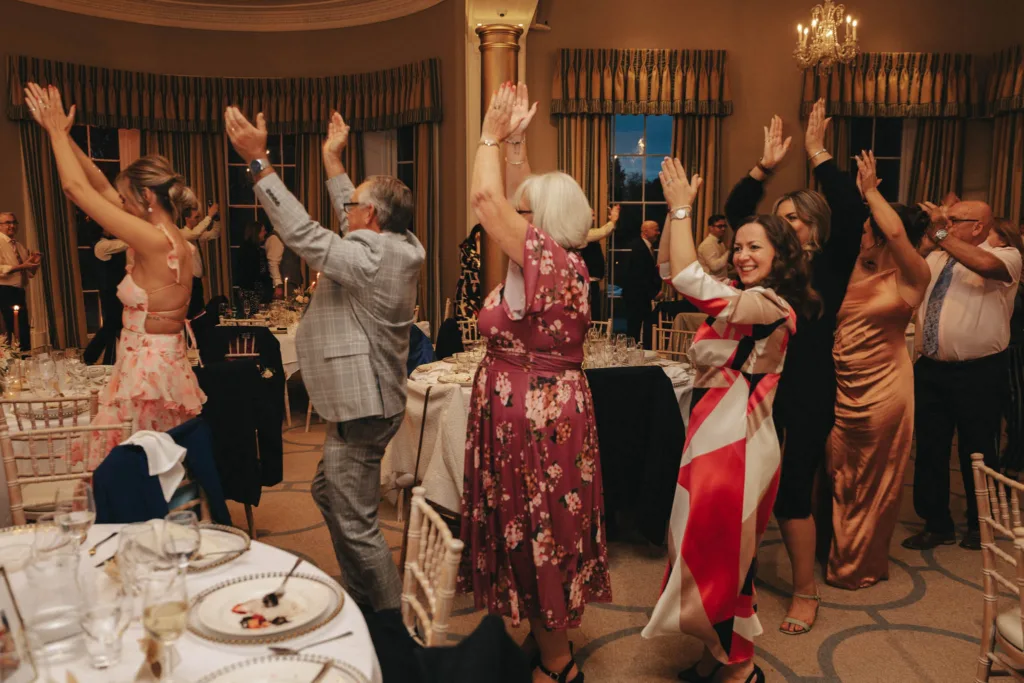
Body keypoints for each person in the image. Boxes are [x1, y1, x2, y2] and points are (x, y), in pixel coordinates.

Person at [224, 105, 424, 613]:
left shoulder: (370, 257)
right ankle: (363, 596)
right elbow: (349, 218)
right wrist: (333, 160)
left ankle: (387, 627)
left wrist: (258, 163)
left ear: (372, 217)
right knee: (328, 493)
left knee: (357, 524)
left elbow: (305, 234)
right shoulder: (395, 244)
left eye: (355, 204)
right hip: (368, 402)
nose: (347, 208)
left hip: (363, 409)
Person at [644, 158, 817, 683]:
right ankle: (714, 654)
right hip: (709, 440)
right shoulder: (742, 300)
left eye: (754, 247)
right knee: (700, 549)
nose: (741, 255)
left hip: (739, 447)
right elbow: (674, 274)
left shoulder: (771, 304)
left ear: (781, 255)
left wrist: (680, 208)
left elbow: (692, 282)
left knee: (722, 560)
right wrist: (679, 218)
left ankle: (741, 667)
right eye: (738, 246)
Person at [460, 82, 610, 683]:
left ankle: (557, 665)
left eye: (526, 215)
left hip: (534, 422)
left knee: (537, 532)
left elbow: (485, 197)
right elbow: (519, 197)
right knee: (541, 527)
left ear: (539, 226)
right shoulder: (561, 261)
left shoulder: (544, 258)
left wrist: (490, 136)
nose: (516, 218)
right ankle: (550, 638)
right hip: (543, 414)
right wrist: (518, 144)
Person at [724, 100, 863, 635]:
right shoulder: (764, 266)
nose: (785, 228)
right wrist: (763, 168)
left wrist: (818, 154)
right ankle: (742, 582)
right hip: (755, 387)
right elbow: (738, 212)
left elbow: (851, 211)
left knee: (791, 491)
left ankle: (806, 592)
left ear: (815, 226)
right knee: (746, 488)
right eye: (779, 220)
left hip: (807, 389)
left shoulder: (829, 265)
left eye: (795, 219)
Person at [23, 83, 206, 469]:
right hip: (161, 362)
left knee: (134, 464)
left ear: (148, 198)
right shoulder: (173, 237)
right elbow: (99, 186)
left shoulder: (152, 239)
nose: (119, 205)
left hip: (148, 371)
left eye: (126, 199)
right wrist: (64, 137)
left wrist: (55, 131)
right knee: (156, 461)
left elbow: (74, 188)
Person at [826, 151, 932, 590]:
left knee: (872, 475)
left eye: (869, 229)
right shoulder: (857, 266)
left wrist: (870, 191)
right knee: (838, 469)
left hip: (884, 386)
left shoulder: (913, 274)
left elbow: (890, 226)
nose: (863, 233)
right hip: (842, 380)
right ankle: (836, 548)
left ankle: (859, 566)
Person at [902, 199, 1023, 551]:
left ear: (979, 227)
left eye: (954, 220)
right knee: (930, 449)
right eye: (944, 220)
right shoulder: (937, 255)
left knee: (980, 450)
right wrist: (929, 238)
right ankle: (936, 523)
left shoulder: (1006, 256)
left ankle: (979, 523)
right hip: (930, 369)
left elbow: (984, 265)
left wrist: (939, 231)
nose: (945, 224)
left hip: (979, 372)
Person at [993, 221, 1024, 475]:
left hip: (1015, 349)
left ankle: (1012, 462)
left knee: (1017, 412)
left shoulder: (1011, 263)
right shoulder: (1001, 265)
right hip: (1005, 346)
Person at [85, 225, 128, 365]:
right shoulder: (101, 246)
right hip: (110, 292)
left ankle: (110, 360)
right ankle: (89, 357)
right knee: (111, 326)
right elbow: (125, 243)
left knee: (114, 327)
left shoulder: (106, 243)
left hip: (116, 291)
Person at [0, 212, 41, 350]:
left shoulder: (19, 245)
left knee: (22, 330)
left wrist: (34, 263)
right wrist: (22, 266)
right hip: (3, 291)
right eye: (8, 223)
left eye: (14, 222)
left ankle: (25, 361)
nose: (12, 226)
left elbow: (29, 273)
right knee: (7, 331)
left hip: (18, 292)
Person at [178, 191, 220, 317]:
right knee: (191, 314)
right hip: (188, 282)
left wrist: (216, 218)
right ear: (187, 218)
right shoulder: (182, 234)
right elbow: (194, 233)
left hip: (197, 281)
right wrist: (209, 216)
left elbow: (215, 233)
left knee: (200, 313)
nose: (198, 220)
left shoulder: (198, 236)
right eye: (196, 217)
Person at [622, 219, 662, 345]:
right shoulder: (637, 247)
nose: (658, 233)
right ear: (645, 231)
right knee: (634, 327)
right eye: (655, 229)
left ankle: (640, 351)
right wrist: (653, 293)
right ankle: (630, 354)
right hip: (635, 295)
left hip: (641, 296)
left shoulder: (646, 246)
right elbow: (638, 275)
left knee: (642, 326)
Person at [581, 205, 620, 320]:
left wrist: (612, 222)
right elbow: (603, 232)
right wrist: (613, 220)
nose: (593, 219)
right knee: (590, 315)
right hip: (586, 284)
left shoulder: (588, 232)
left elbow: (604, 232)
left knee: (595, 314)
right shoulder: (581, 233)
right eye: (591, 216)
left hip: (593, 283)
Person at [455, 224, 483, 320]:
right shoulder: (466, 248)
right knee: (467, 320)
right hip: (467, 290)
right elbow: (478, 264)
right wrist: (478, 243)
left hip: (478, 291)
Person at [696, 213, 730, 281]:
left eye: (724, 226)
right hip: (711, 283)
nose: (723, 229)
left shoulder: (720, 243)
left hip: (720, 282)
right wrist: (729, 250)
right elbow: (714, 267)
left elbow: (723, 265)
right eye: (720, 226)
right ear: (711, 228)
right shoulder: (707, 244)